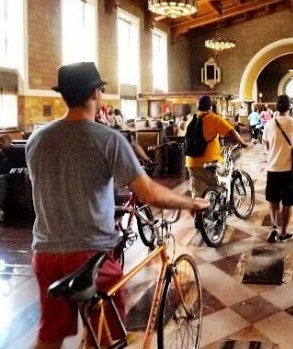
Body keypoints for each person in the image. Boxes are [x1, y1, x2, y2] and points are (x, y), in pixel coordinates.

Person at [27, 62, 209, 349]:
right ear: (95, 93)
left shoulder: (37, 139)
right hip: (89, 252)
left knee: (50, 334)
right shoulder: (107, 139)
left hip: (45, 250)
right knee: (107, 336)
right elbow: (149, 194)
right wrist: (190, 203)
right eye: (101, 89)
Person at [184, 95, 249, 198]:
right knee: (224, 178)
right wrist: (243, 143)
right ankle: (223, 201)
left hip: (191, 163)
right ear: (210, 107)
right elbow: (232, 131)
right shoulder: (213, 118)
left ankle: (199, 212)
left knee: (197, 195)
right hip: (210, 163)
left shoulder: (190, 120)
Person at [262, 95, 293, 243]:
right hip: (289, 169)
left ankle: (274, 226)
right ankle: (284, 232)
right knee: (288, 201)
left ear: (276, 107)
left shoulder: (269, 124)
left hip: (272, 167)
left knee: (273, 198)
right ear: (289, 107)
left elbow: (266, 144)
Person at [0, 135, 27, 226]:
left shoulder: (18, 152)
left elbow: (26, 164)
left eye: (2, 141)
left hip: (10, 176)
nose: (0, 143)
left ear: (9, 142)